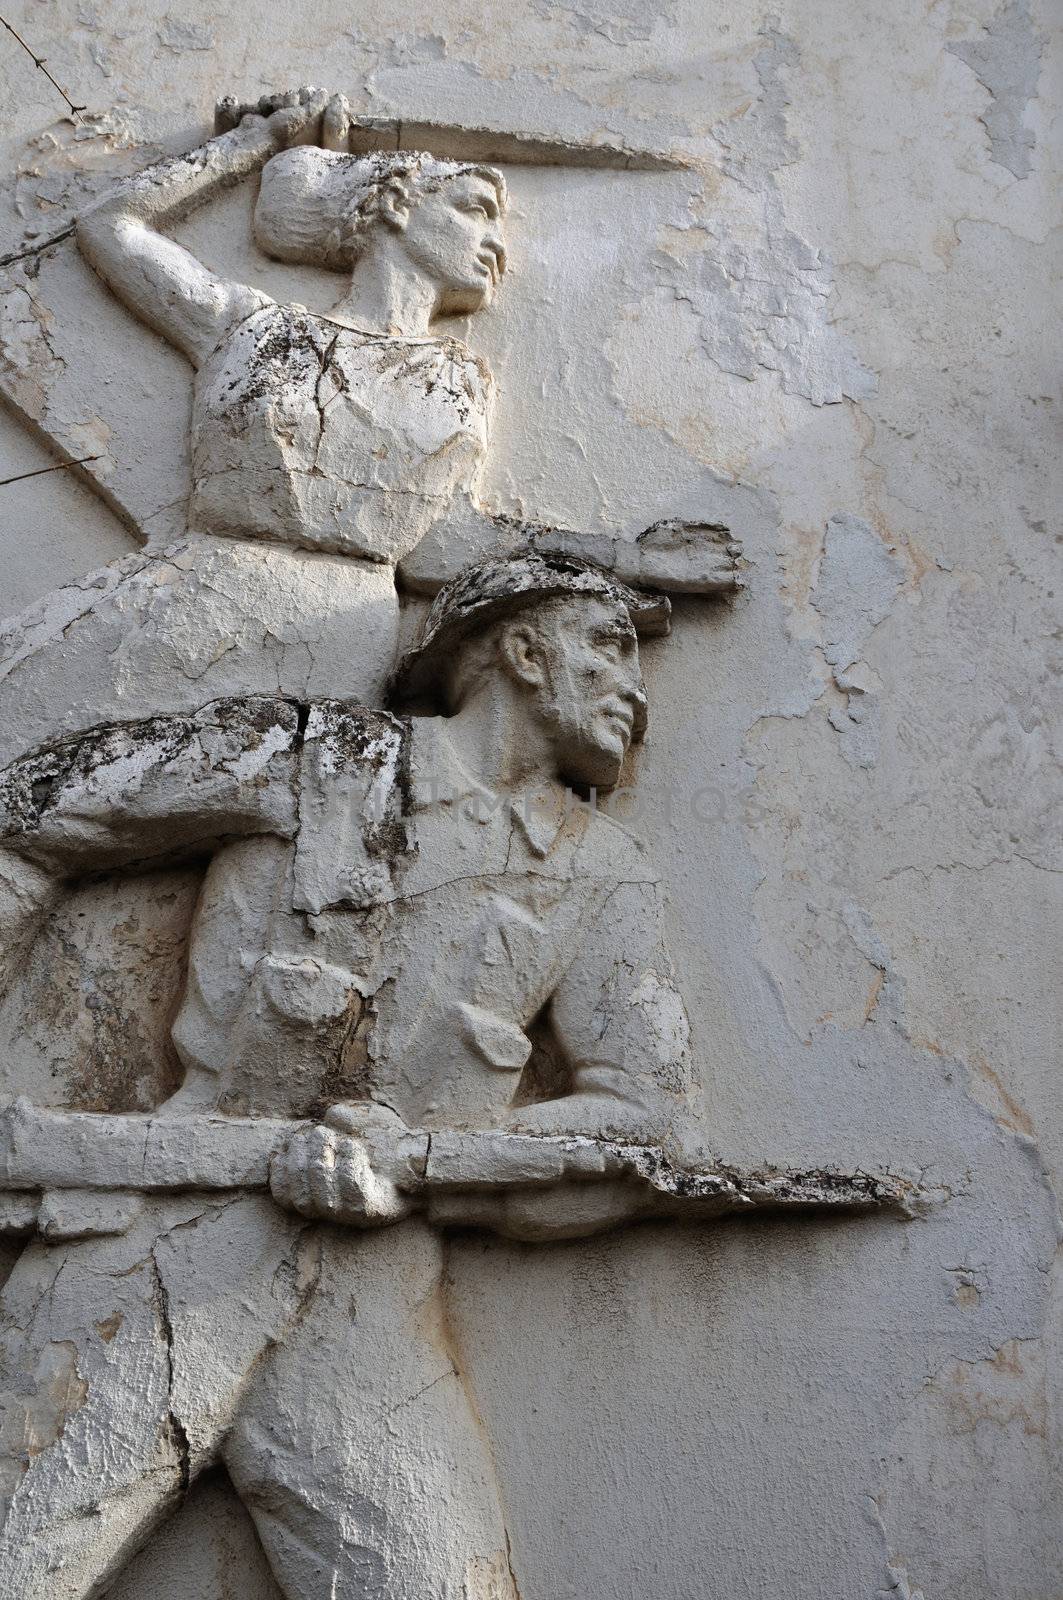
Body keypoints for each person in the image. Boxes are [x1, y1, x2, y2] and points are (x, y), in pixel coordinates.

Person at [0, 555, 697, 1600]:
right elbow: (37, 807)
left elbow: (650, 1121)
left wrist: (416, 1161)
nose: (635, 686)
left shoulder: (602, 870)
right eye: (608, 646)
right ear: (518, 649)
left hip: (369, 1300)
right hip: (157, 1245)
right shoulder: (307, 756)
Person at [0, 87, 738, 763]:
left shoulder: (457, 380)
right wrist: (249, 145)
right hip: (192, 595)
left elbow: (443, 542)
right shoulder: (256, 329)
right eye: (474, 208)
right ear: (393, 205)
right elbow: (110, 226)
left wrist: (631, 559)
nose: (498, 244)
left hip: (337, 636)